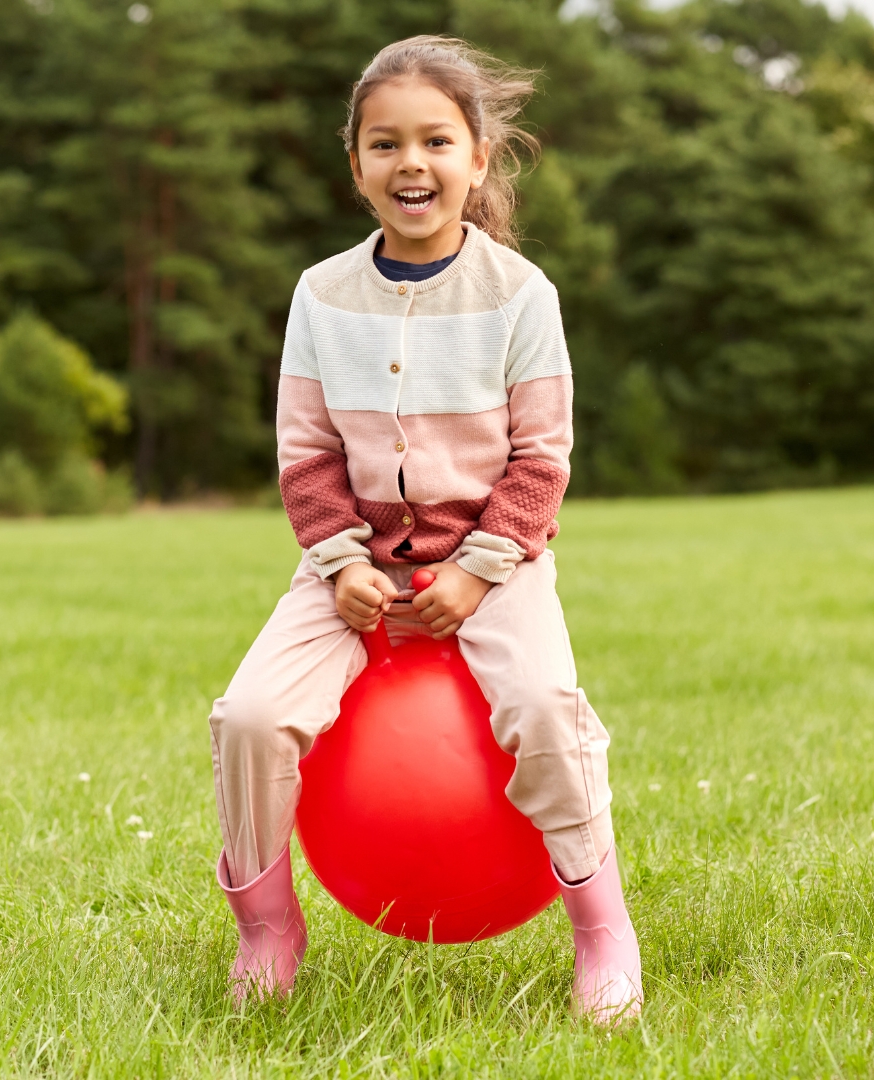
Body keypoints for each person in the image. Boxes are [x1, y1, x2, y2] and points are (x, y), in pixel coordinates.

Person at [208, 35, 642, 1025]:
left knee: (542, 703)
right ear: (355, 164)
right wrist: (340, 565)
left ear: (478, 159)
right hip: (351, 568)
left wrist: (481, 573)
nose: (413, 163)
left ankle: (600, 927)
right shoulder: (322, 296)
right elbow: (307, 451)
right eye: (385, 144)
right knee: (247, 717)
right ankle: (267, 924)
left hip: (497, 563)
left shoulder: (520, 297)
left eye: (437, 141)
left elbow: (541, 459)